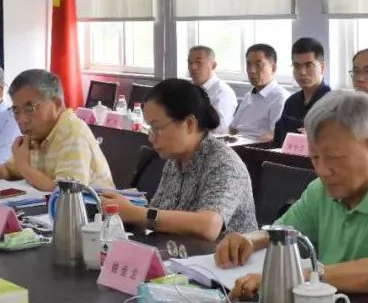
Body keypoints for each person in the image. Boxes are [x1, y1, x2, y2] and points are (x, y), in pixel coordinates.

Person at [218, 90, 368, 303]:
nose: (323, 171)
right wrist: (251, 239)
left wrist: (299, 277)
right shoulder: (322, 189)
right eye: (315, 158)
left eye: (335, 158)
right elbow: (284, 231)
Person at [101, 79, 257, 241]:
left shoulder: (224, 163)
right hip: (178, 251)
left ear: (189, 124)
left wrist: (135, 213)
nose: (151, 138)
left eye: (157, 128)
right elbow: (156, 214)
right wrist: (126, 211)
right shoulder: (174, 161)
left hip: (219, 255)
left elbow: (209, 226)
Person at [0, 69, 114, 191]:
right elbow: (11, 171)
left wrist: (24, 166)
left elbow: (66, 193)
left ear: (56, 104)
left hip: (94, 208)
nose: (21, 120)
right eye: (16, 111)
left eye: (30, 108)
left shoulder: (73, 131)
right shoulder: (35, 134)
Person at [273, 37, 331, 146]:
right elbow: (278, 141)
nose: (302, 72)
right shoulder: (291, 102)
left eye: (309, 65)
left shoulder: (333, 104)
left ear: (322, 67)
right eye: (297, 66)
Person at [229, 44, 290, 142]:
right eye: (249, 64)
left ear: (273, 68)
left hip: (255, 146)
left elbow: (275, 134)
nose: (251, 70)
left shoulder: (280, 98)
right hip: (236, 144)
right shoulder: (248, 95)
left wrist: (251, 144)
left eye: (258, 65)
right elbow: (232, 128)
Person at [187, 46, 237, 133]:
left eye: (198, 62)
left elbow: (218, 130)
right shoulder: (187, 89)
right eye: (190, 63)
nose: (193, 67)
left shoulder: (223, 92)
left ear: (213, 66)